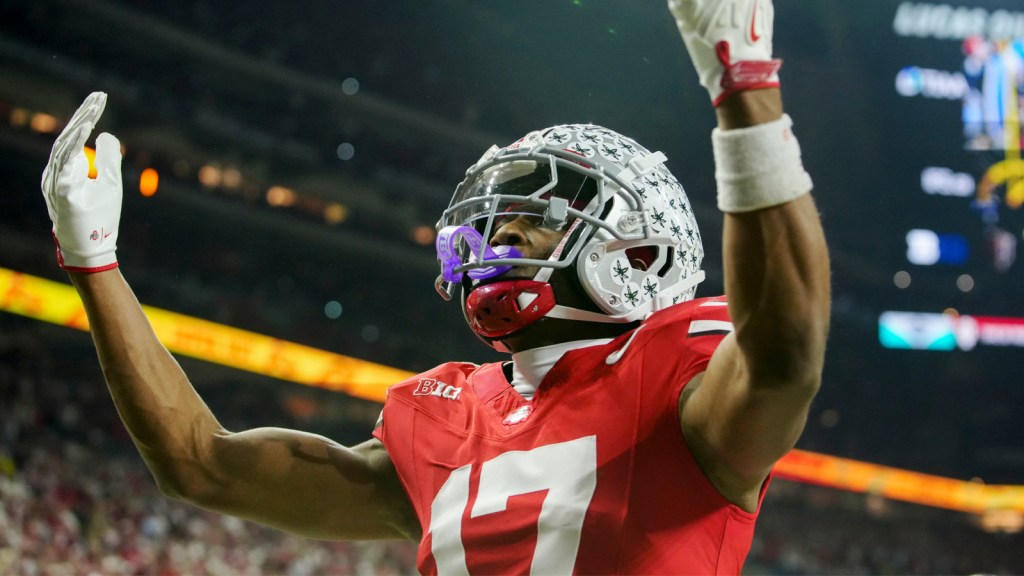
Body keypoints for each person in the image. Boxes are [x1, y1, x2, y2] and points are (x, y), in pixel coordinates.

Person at [39, 1, 829, 574]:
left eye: (538, 218)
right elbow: (201, 465)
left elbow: (786, 353)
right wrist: (95, 265)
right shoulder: (444, 415)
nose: (500, 237)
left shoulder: (675, 378)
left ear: (639, 254)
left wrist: (745, 89)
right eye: (495, 220)